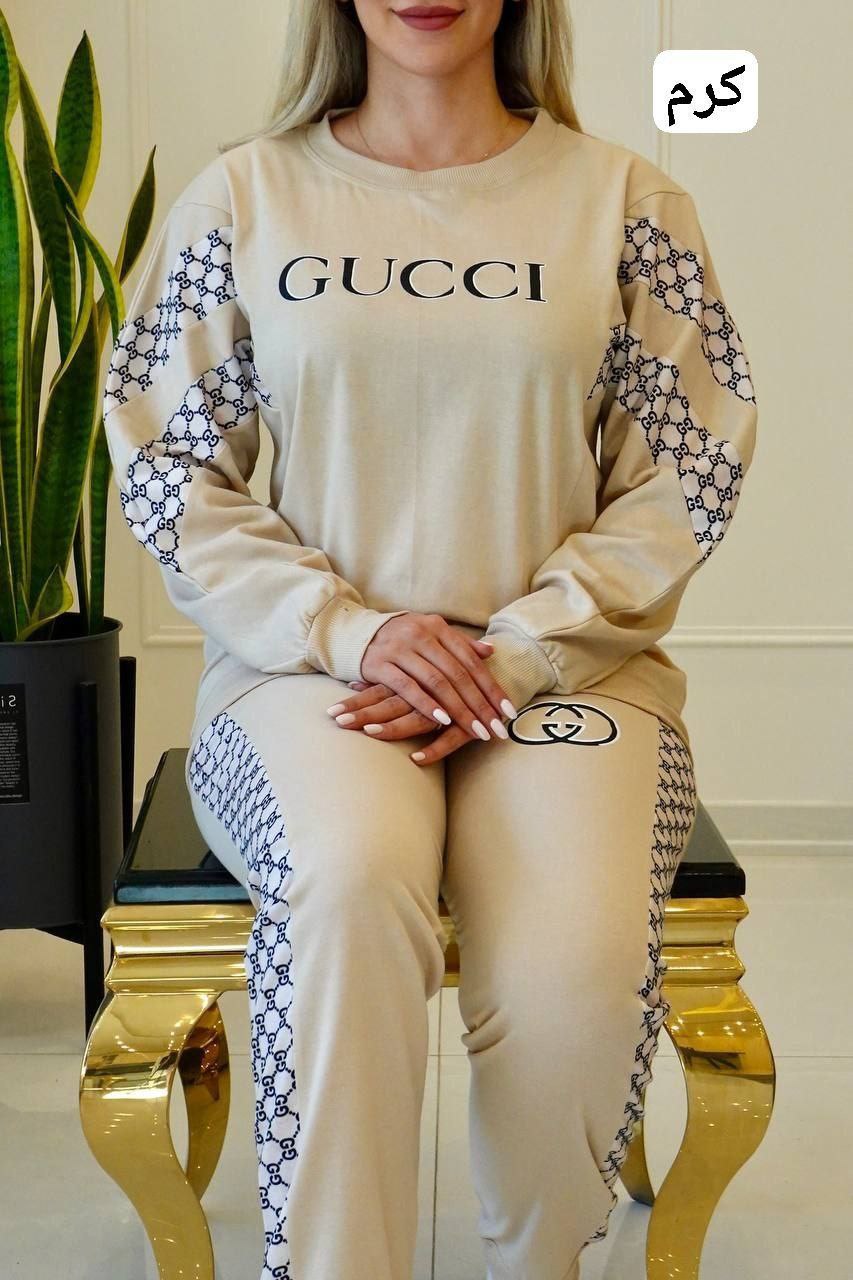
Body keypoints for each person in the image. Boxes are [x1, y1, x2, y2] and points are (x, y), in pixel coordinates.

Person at [101, 2, 758, 1276]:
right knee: (347, 882)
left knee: (574, 959)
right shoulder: (244, 198)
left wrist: (516, 646)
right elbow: (172, 466)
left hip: (568, 672)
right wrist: (348, 629)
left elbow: (687, 470)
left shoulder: (625, 204)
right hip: (309, 676)